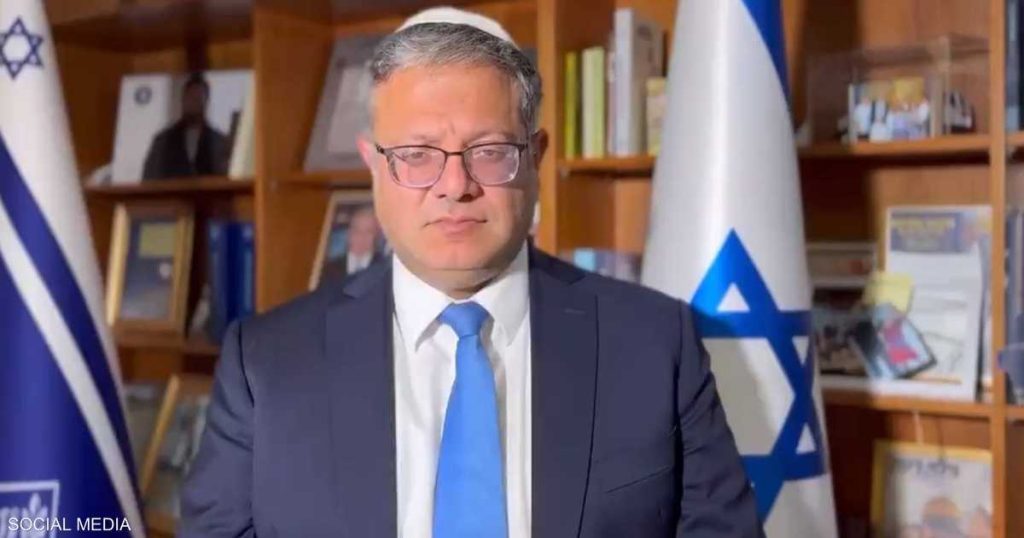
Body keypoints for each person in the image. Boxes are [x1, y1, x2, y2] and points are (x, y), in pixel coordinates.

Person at [178, 7, 761, 537]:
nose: (455, 186)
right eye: (417, 155)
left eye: (489, 151)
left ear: (536, 158)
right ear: (373, 166)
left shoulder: (655, 344)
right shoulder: (266, 363)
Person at [141, 72, 230, 180]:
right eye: (190, 97)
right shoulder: (163, 141)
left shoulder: (219, 142)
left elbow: (226, 178)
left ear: (206, 102)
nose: (194, 103)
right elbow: (149, 179)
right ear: (183, 100)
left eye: (198, 98)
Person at [320, 204, 384, 284]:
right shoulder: (330, 268)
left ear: (377, 235)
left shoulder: (385, 269)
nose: (361, 237)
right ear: (348, 233)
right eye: (357, 230)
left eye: (368, 232)